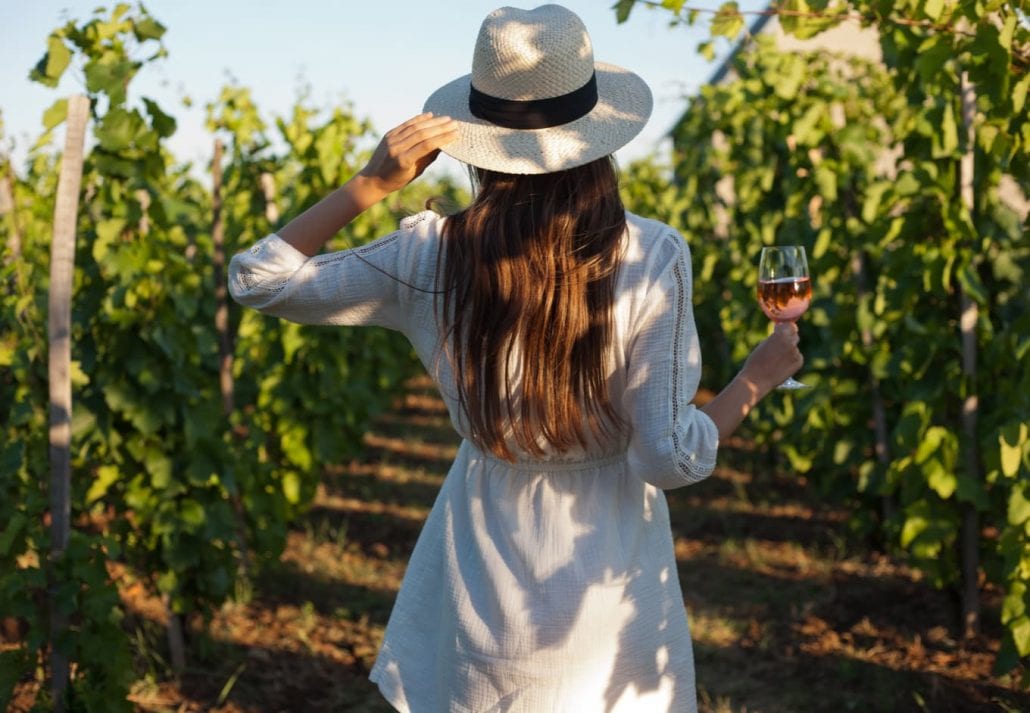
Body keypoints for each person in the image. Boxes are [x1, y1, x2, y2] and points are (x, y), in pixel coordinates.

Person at [228, 5, 802, 712]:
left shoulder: (428, 253)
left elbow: (257, 279)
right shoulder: (653, 257)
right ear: (599, 135)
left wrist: (370, 184)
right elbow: (668, 458)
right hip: (609, 580)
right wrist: (755, 378)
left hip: (484, 571)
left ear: (475, 137)